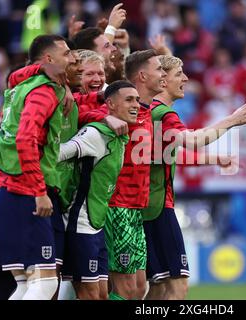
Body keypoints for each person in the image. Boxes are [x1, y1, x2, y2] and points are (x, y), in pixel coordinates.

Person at [143, 55, 246, 300]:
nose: (186, 79)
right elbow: (194, 140)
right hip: (157, 207)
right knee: (177, 287)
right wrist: (232, 120)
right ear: (163, 81)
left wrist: (213, 159)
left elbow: (163, 156)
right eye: (179, 74)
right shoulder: (164, 114)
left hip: (143, 206)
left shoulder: (149, 112)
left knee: (155, 286)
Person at [0, 34, 75, 300]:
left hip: (9, 193)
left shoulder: (23, 82)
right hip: (26, 194)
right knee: (45, 284)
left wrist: (60, 81)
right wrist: (39, 191)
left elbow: (15, 76)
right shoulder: (43, 92)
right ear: (49, 59)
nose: (71, 58)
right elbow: (26, 138)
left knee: (26, 285)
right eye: (67, 53)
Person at [60, 80, 137, 300]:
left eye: (137, 100)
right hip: (80, 223)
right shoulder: (96, 134)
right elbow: (59, 153)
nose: (135, 105)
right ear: (110, 104)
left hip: (97, 225)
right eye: (129, 100)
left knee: (102, 295)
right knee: (90, 295)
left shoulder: (119, 136)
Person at [102, 49, 166, 300]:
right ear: (142, 75)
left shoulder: (148, 112)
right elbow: (92, 102)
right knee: (124, 288)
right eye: (159, 69)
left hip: (136, 208)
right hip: (117, 205)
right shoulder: (120, 112)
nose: (163, 74)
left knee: (140, 288)